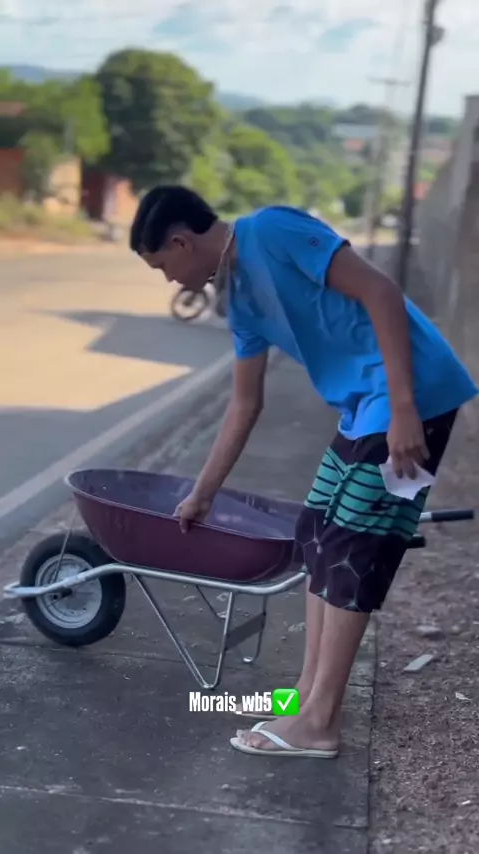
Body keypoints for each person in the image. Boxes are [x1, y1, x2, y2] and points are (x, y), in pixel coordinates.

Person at [130, 185, 478, 759]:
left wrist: (405, 407)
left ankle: (319, 722)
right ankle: (308, 699)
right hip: (364, 406)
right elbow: (245, 404)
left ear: (180, 242)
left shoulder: (271, 231)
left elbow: (380, 292)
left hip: (411, 392)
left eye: (162, 266)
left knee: (354, 545)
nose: (169, 280)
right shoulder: (241, 302)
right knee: (315, 533)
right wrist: (202, 494)